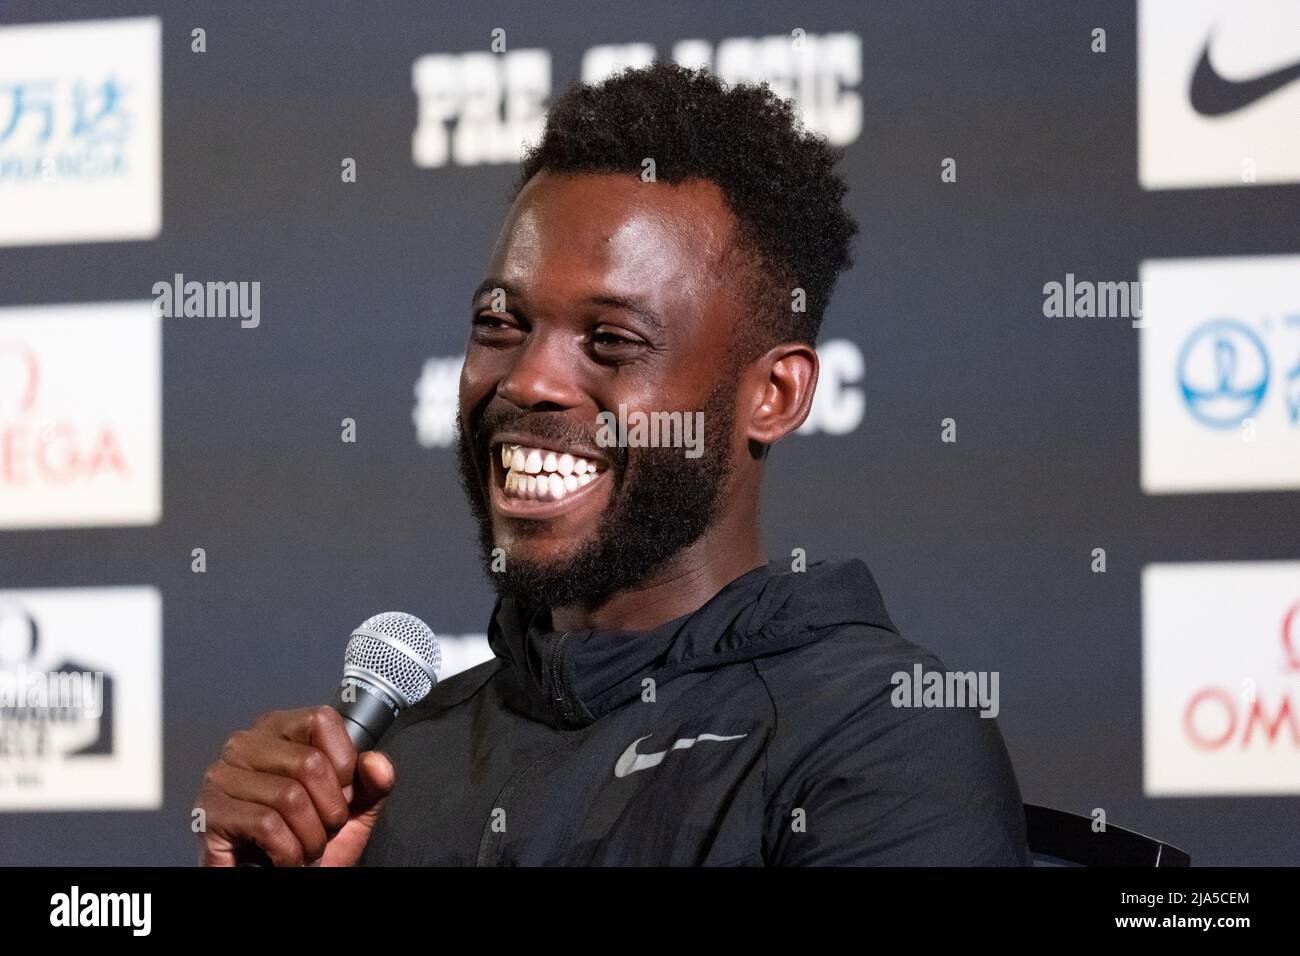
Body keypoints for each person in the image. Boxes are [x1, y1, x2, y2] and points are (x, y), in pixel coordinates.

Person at [194, 61, 1030, 866]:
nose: (528, 380)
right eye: (501, 324)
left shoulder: (884, 736)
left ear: (773, 393)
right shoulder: (393, 770)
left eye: (612, 342)